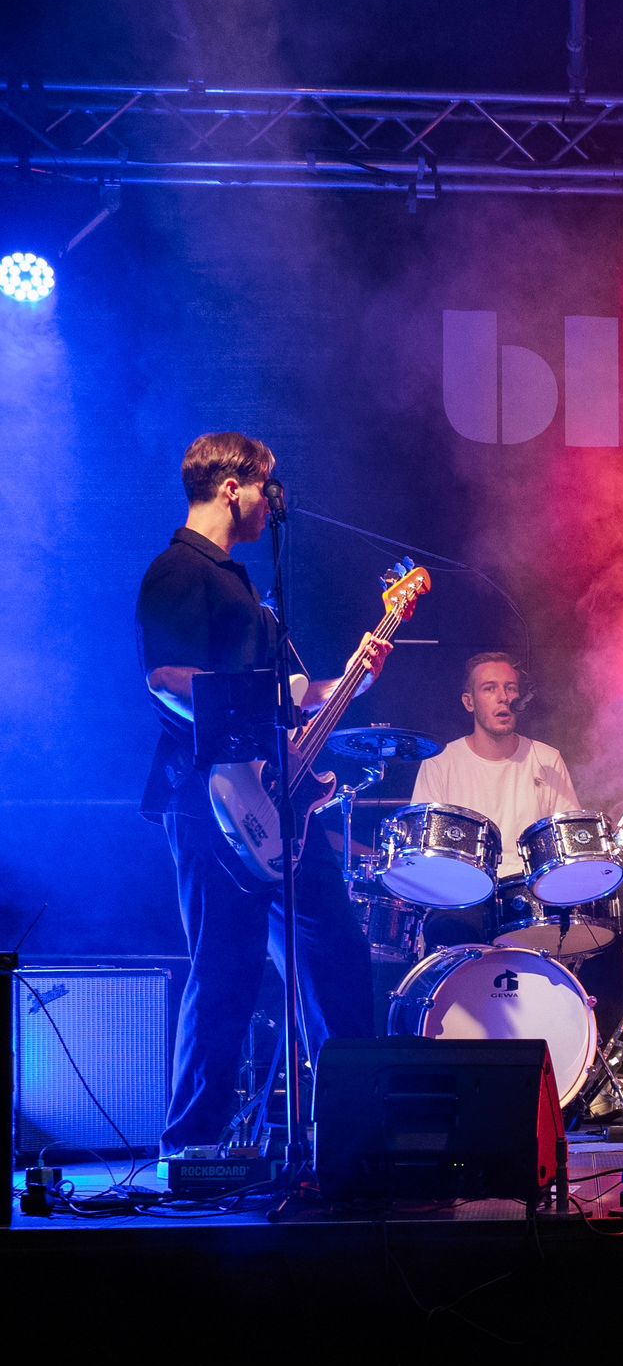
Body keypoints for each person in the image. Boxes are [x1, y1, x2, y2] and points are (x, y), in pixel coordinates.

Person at [137, 432, 390, 1165]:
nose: (271, 503)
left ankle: (350, 1141)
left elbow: (288, 696)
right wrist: (264, 704)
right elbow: (166, 678)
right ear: (232, 488)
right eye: (264, 488)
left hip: (277, 808)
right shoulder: (179, 570)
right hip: (209, 799)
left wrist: (350, 681)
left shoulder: (246, 589)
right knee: (227, 971)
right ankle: (189, 1150)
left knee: (337, 955)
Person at [407, 650, 585, 949]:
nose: (503, 698)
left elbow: (568, 850)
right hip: (462, 900)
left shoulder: (547, 759)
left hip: (531, 901)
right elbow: (423, 855)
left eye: (510, 688)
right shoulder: (440, 762)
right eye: (489, 688)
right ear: (469, 702)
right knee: (449, 927)